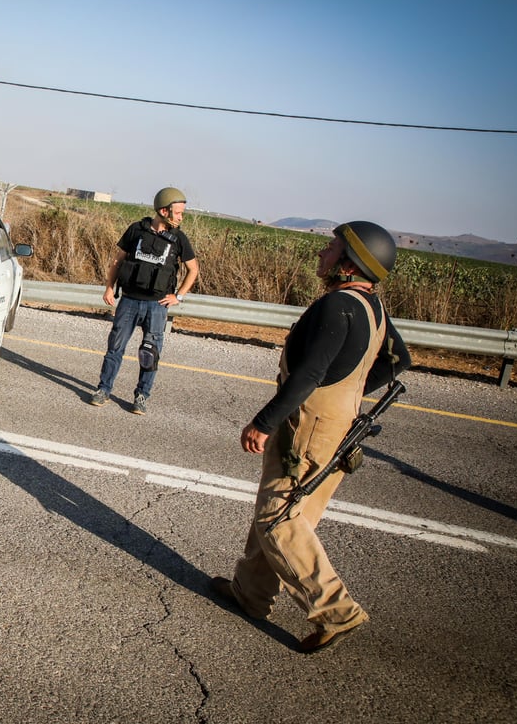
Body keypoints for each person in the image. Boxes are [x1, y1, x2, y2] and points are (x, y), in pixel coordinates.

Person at [210, 221, 410, 654]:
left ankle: (336, 611)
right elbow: (399, 359)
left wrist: (264, 422)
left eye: (331, 246)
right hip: (338, 424)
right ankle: (251, 593)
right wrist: (348, 391)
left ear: (349, 261)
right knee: (287, 509)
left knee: (277, 518)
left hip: (309, 425)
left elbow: (310, 374)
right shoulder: (371, 306)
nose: (322, 252)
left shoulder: (338, 305)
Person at [89, 186, 199, 413]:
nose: (181, 217)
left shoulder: (178, 238)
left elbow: (193, 270)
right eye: (178, 212)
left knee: (149, 353)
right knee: (114, 349)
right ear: (164, 210)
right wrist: (109, 288)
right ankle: (103, 390)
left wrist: (178, 296)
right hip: (129, 300)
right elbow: (117, 262)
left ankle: (141, 396)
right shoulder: (136, 231)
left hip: (157, 306)